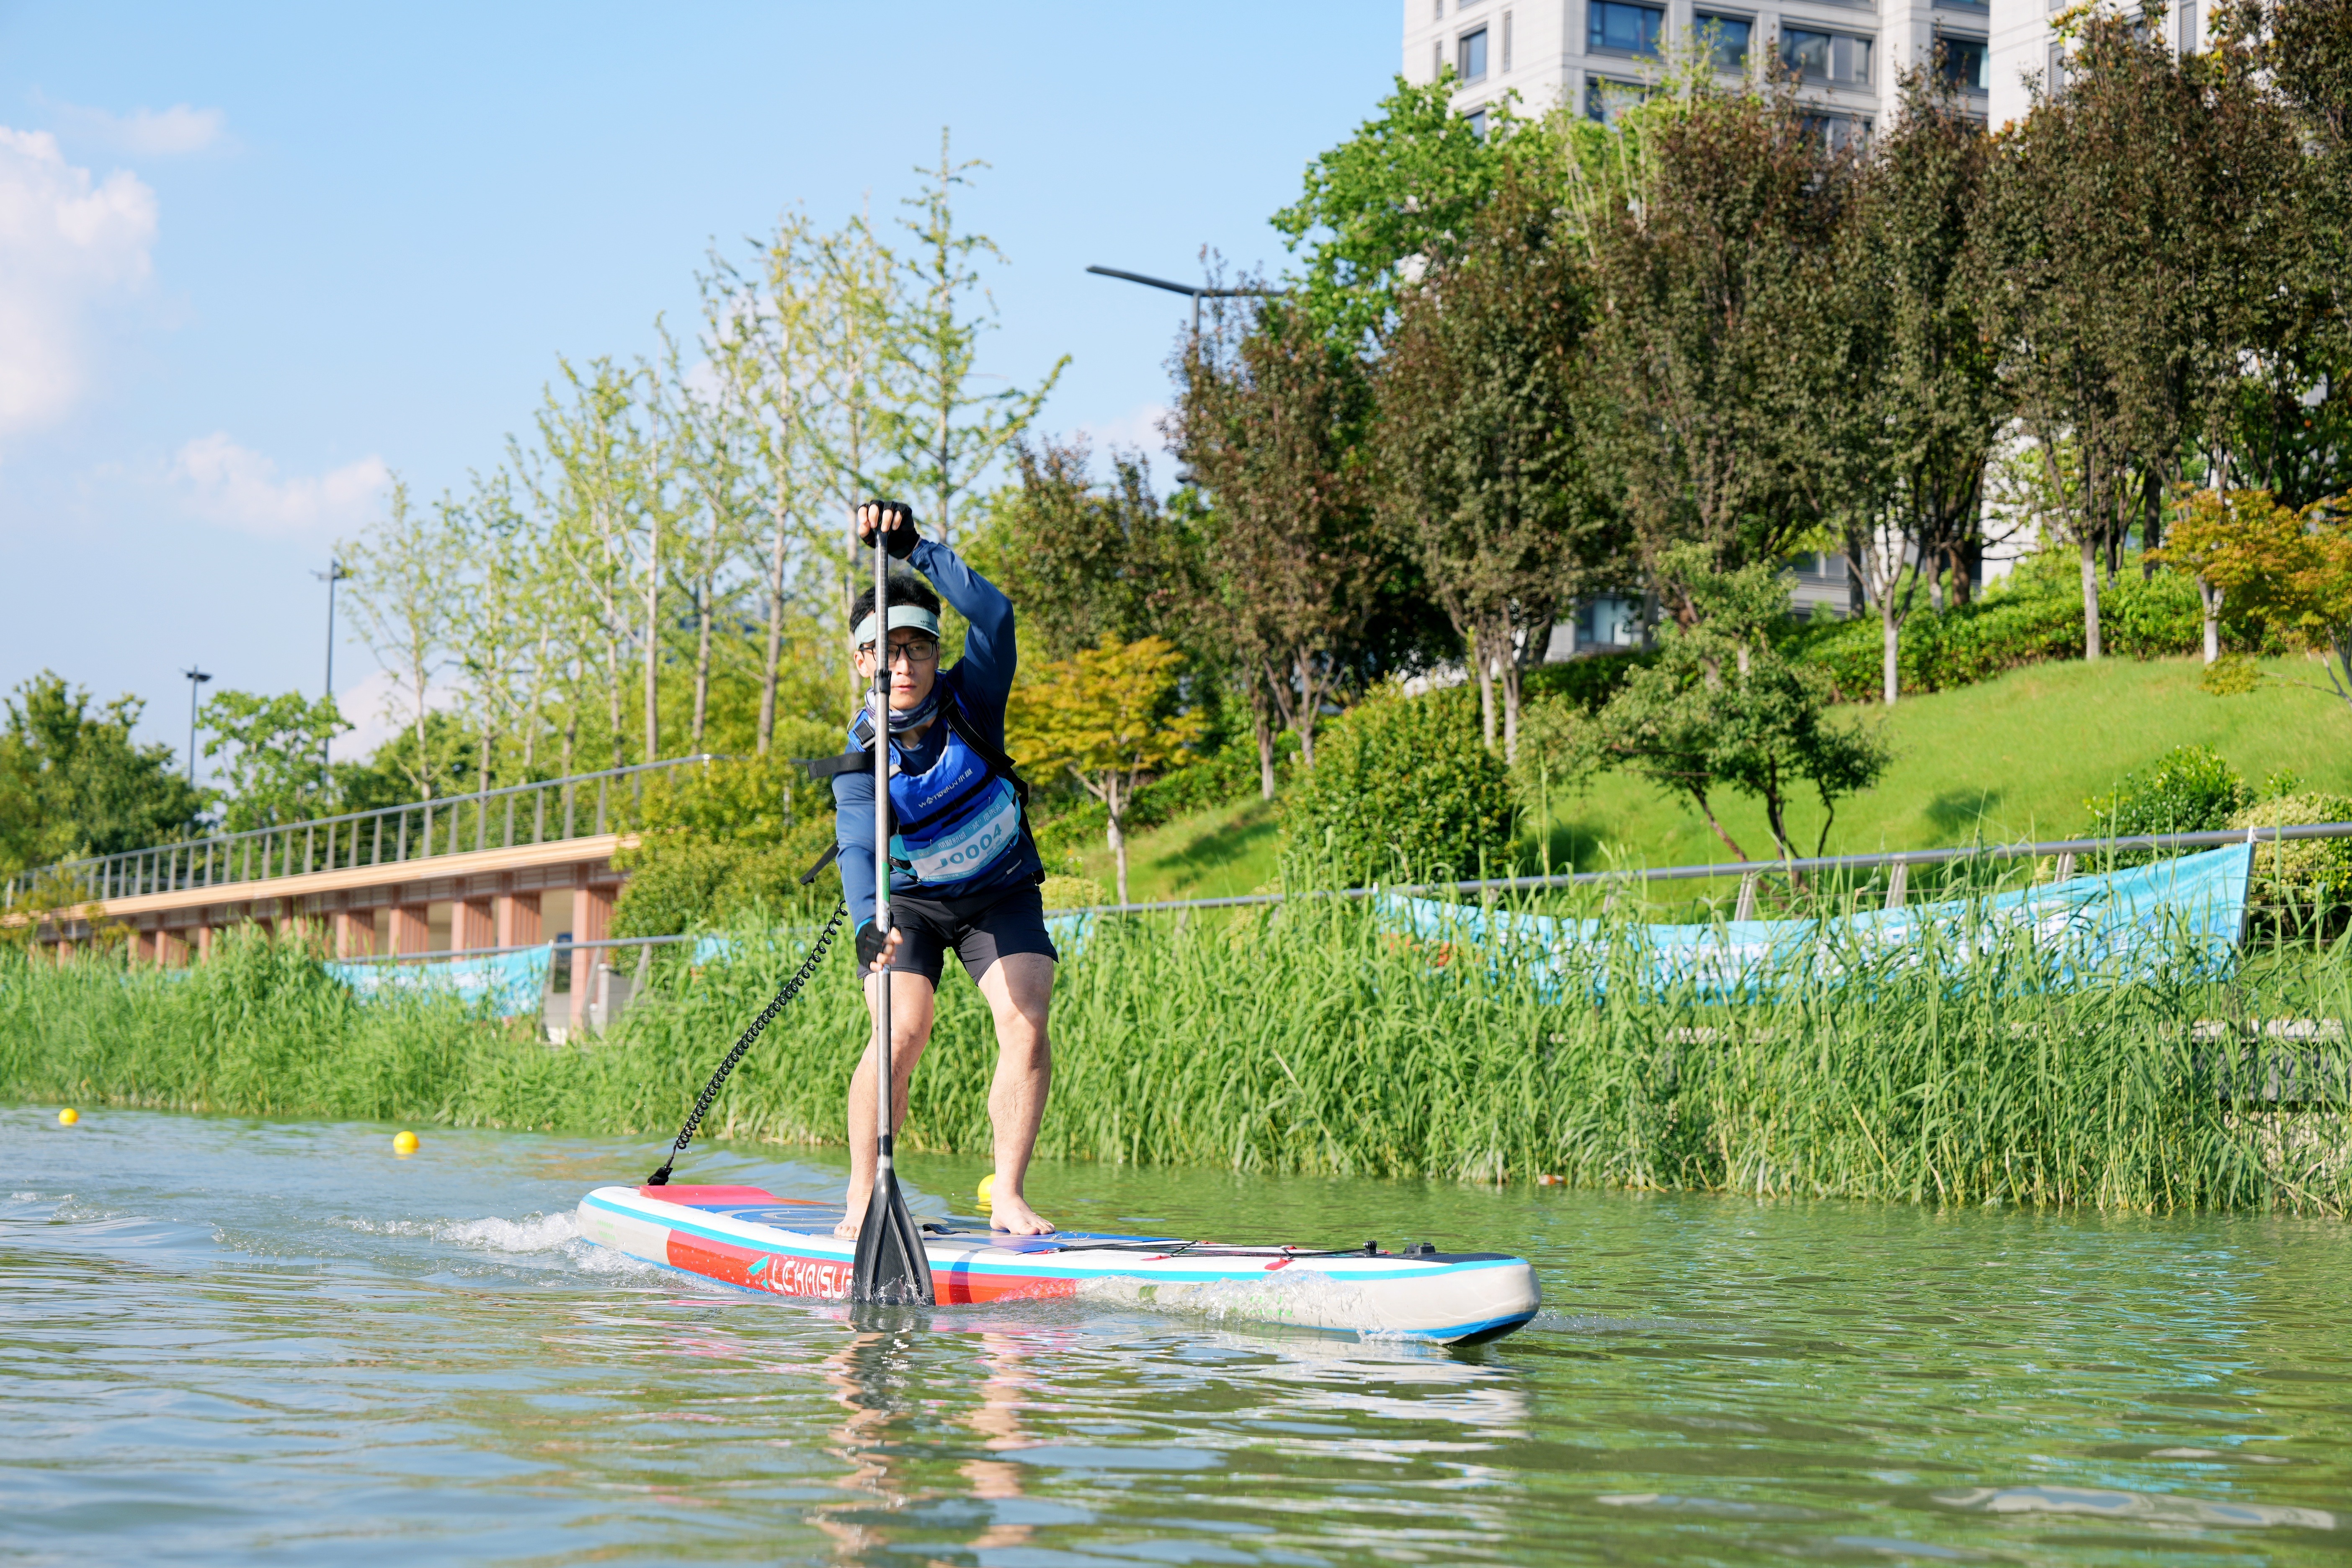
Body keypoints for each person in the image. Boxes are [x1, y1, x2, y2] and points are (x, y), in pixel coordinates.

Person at [830, 500, 1057, 1238]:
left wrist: (918, 549)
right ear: (862, 660)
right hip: (910, 907)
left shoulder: (973, 698)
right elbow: (861, 848)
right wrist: (868, 926)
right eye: (886, 652)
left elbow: (995, 618)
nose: (904, 666)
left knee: (1026, 1018)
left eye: (918, 649)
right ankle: (865, 1196)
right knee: (901, 1031)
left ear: (934, 652)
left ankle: (1011, 1196)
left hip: (999, 894)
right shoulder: (859, 757)